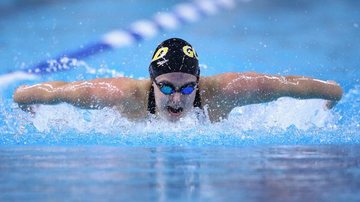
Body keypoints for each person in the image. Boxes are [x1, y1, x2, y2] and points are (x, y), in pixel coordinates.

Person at [13, 38, 343, 122]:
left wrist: (331, 97)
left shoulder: (228, 91)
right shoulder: (119, 94)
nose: (177, 99)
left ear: (199, 81)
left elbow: (290, 84)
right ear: (151, 81)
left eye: (187, 87)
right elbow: (34, 94)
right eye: (167, 87)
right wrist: (30, 108)